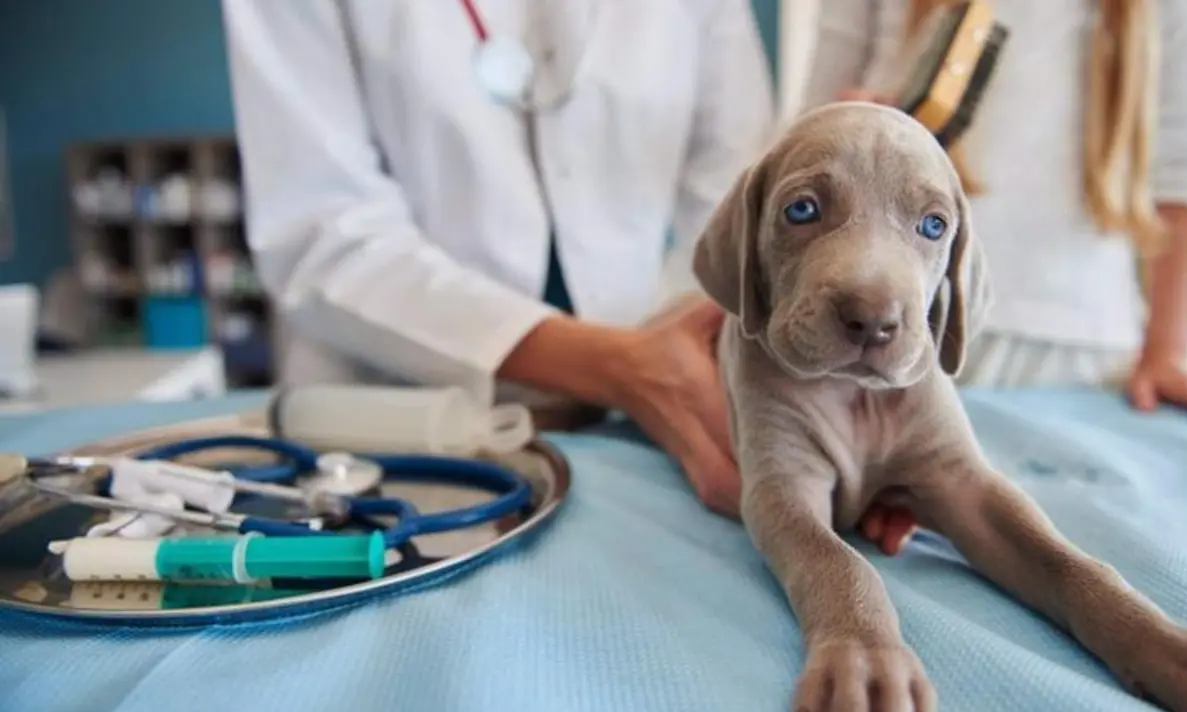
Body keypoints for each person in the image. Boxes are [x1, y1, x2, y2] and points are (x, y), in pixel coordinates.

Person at [220, 0, 775, 517]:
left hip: (648, 426)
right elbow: (321, 229)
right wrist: (620, 366)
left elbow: (737, 197)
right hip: (397, 428)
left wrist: (697, 357)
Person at [804, 0, 1187, 554]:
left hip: (1082, 360)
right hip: (892, 331)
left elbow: (1183, 156)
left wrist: (1166, 353)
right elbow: (807, 119)